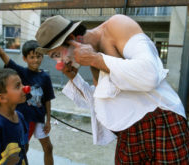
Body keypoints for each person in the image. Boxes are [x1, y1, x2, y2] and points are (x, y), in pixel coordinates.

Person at [35, 15, 189, 164]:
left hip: (160, 123)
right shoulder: (92, 60)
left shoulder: (117, 26)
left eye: (56, 55)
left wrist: (96, 59)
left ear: (73, 39)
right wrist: (74, 78)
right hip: (128, 134)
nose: (59, 63)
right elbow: (103, 104)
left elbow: (150, 74)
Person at [0, 16, 55, 165]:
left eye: (39, 56)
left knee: (48, 148)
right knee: (23, 148)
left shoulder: (45, 77)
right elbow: (2, 54)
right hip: (24, 119)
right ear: (25, 58)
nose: (36, 60)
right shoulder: (20, 72)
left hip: (39, 119)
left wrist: (48, 120)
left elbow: (47, 99)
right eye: (32, 57)